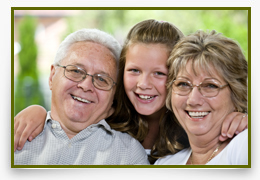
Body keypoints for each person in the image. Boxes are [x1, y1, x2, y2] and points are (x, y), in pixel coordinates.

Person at [14, 20, 248, 164]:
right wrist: (39, 113)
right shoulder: (109, 117)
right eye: (134, 70)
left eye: (159, 73)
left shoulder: (194, 127)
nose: (143, 84)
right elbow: (69, 114)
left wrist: (244, 116)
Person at [14, 28, 150, 165]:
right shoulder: (15, 137)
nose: (86, 86)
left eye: (102, 79)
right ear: (51, 77)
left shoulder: (130, 156)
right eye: (75, 71)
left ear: (114, 95)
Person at [155, 30, 248, 165]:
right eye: (183, 84)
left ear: (237, 94)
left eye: (210, 86)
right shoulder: (164, 164)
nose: (193, 100)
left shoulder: (245, 145)